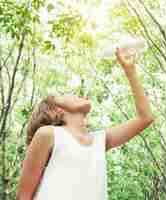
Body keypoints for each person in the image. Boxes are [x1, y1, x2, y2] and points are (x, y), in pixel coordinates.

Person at [16, 47, 155, 200]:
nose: (76, 94)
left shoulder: (99, 141)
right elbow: (23, 196)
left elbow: (145, 118)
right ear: (57, 110)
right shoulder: (48, 134)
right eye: (64, 95)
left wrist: (130, 69)